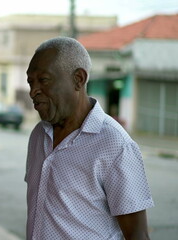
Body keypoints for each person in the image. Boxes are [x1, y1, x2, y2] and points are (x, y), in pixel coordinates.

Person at [25, 37, 154, 240]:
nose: (33, 91)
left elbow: (137, 235)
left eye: (44, 80)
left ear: (78, 79)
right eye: (30, 82)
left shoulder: (115, 145)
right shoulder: (38, 135)